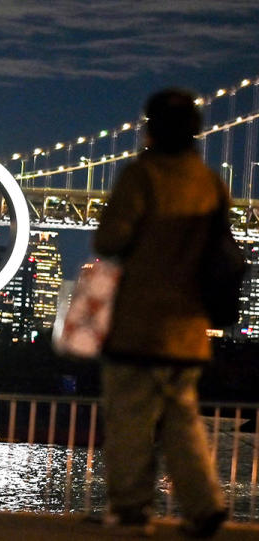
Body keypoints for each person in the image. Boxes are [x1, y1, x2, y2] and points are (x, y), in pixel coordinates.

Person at [92, 88, 227, 537]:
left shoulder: (142, 176)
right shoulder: (210, 182)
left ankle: (131, 511)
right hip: (189, 330)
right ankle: (205, 506)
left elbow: (109, 241)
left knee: (130, 420)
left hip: (139, 327)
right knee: (182, 422)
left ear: (150, 128)